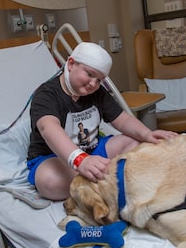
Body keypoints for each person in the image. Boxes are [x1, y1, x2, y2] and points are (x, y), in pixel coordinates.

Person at [27, 42, 177, 201]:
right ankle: (112, 177)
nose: (93, 84)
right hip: (54, 158)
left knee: (134, 141)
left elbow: (122, 120)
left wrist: (147, 134)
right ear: (71, 64)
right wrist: (80, 160)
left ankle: (97, 178)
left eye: (99, 80)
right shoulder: (46, 94)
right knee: (50, 182)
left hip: (92, 149)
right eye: (90, 74)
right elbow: (48, 128)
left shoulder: (97, 92)